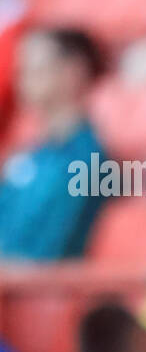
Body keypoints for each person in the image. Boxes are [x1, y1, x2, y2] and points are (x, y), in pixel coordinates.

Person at [0, 28, 105, 261]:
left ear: (73, 72)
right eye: (21, 71)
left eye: (36, 70)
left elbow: (50, 252)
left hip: (41, 291)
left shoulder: (87, 162)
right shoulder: (30, 158)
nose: (23, 81)